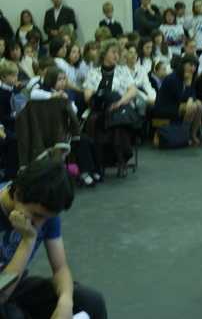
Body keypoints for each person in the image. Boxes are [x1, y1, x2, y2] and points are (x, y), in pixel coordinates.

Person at [0, 160, 108, 318]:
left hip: (17, 282)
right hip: (3, 288)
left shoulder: (44, 211)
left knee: (91, 300)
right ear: (18, 195)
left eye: (46, 217)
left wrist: (65, 302)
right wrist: (28, 241)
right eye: (36, 215)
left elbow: (60, 268)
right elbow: (1, 296)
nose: (39, 224)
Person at [83, 39, 137, 177]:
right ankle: (99, 161)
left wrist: (118, 103)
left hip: (120, 106)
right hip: (99, 107)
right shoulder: (93, 73)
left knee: (117, 122)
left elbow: (132, 92)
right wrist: (98, 99)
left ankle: (121, 159)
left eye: (118, 53)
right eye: (113, 52)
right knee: (94, 120)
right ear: (104, 54)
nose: (116, 56)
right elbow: (87, 96)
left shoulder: (123, 71)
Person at [153, 55, 202, 146]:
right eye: (190, 65)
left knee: (199, 104)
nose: (193, 68)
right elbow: (182, 97)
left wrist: (190, 100)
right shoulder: (172, 78)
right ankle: (185, 136)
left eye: (195, 66)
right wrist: (188, 84)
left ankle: (193, 134)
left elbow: (193, 95)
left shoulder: (189, 76)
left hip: (177, 105)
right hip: (164, 108)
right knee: (192, 106)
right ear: (183, 65)